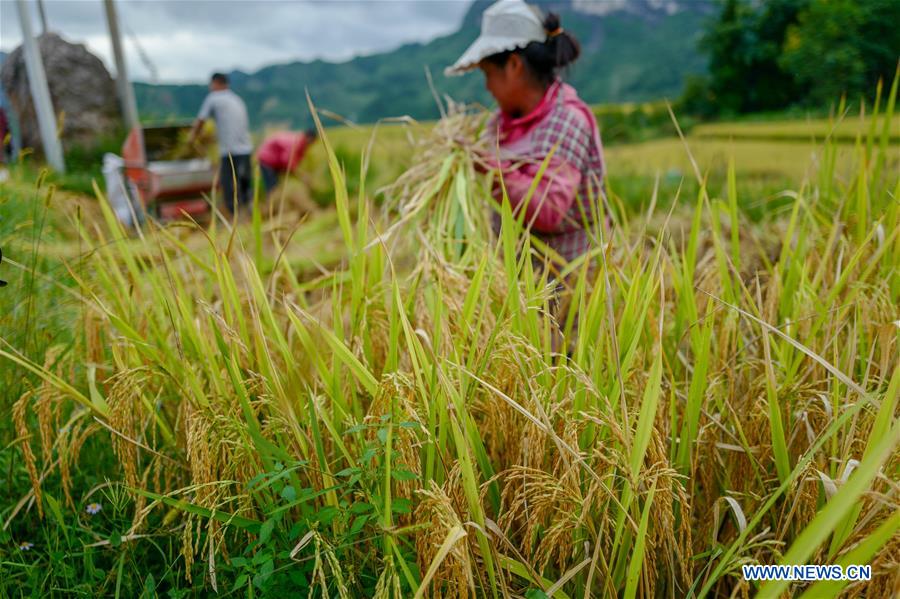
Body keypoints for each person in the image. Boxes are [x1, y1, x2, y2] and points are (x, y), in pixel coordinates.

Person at [446, 0, 607, 277]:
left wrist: (490, 169)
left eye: (488, 73)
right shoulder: (499, 123)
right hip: (517, 277)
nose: (486, 86)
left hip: (570, 284)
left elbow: (549, 209)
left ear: (513, 65)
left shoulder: (566, 121)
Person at [189, 73, 253, 212]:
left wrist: (192, 138)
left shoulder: (214, 98)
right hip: (245, 148)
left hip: (229, 151)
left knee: (229, 184)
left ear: (216, 83)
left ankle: (234, 214)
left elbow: (201, 120)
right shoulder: (236, 99)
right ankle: (248, 211)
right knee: (244, 182)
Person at [256, 129, 318, 195]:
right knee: (272, 187)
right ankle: (272, 202)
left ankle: (275, 201)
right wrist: (301, 176)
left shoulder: (301, 142)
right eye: (313, 141)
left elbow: (293, 160)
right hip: (267, 160)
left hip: (273, 161)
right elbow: (287, 161)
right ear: (309, 138)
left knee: (276, 185)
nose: (313, 144)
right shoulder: (296, 142)